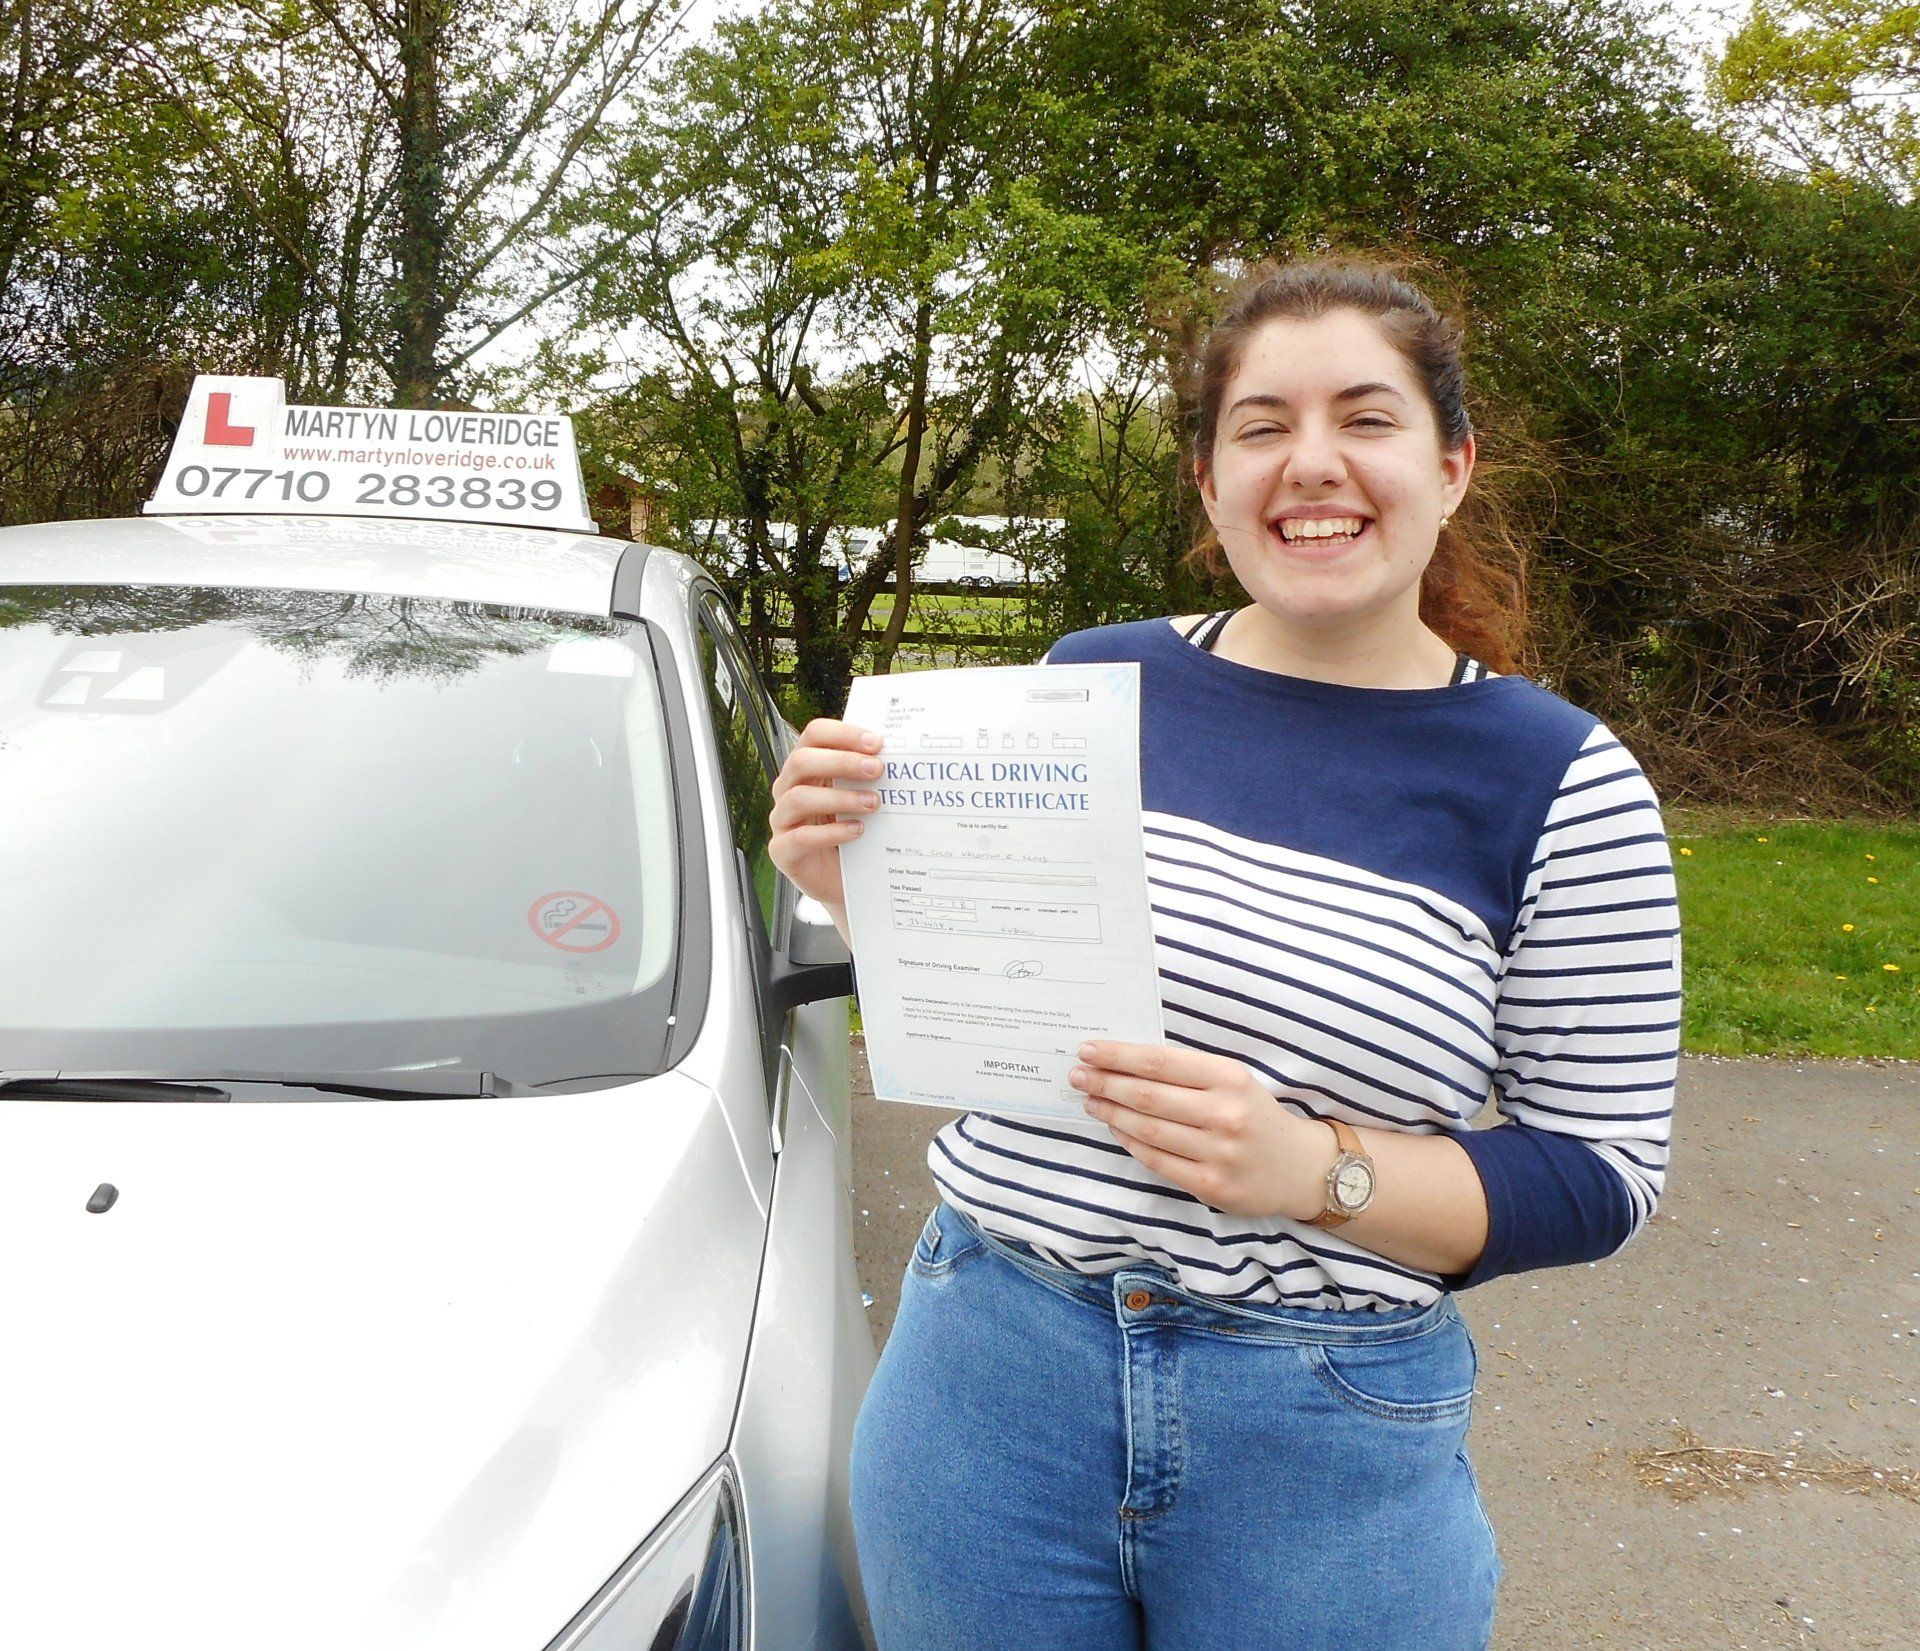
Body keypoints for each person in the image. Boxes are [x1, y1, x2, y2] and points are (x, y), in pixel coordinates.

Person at [767, 257, 1680, 1651]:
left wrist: (1315, 1170)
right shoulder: (1083, 685)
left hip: (1321, 1436)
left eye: (1366, 418)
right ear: (1208, 483)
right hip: (986, 1380)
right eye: (1262, 426)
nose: (1312, 462)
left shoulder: (1563, 781)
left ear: (1454, 465)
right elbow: (986, 1000)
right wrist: (857, 881)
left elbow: (1600, 1173)